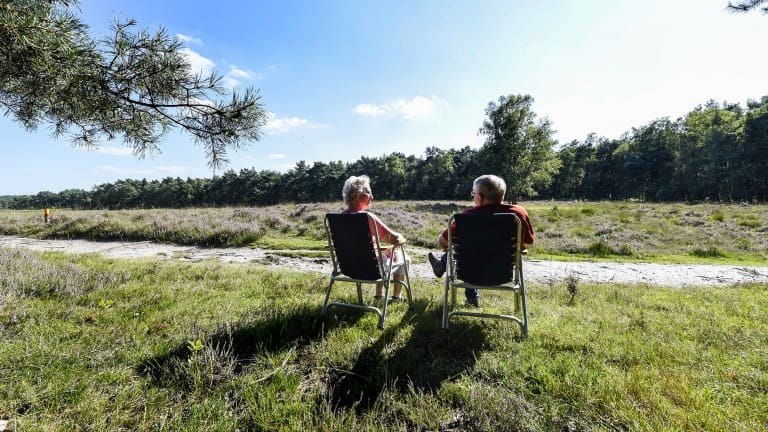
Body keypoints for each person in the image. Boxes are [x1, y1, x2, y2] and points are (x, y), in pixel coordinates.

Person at [427, 174, 535, 307]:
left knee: (467, 253)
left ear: (479, 197)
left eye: (474, 194)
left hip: (470, 271)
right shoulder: (518, 214)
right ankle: (473, 299)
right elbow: (529, 241)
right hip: (503, 272)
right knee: (474, 252)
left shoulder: (466, 217)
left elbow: (442, 242)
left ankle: (442, 268)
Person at [341, 175, 410, 302]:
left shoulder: (339, 218)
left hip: (348, 267)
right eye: (367, 192)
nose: (371, 196)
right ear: (356, 195)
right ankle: (396, 297)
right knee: (404, 257)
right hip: (371, 268)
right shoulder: (367, 218)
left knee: (381, 253)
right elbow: (394, 239)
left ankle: (379, 295)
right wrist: (401, 237)